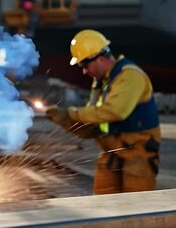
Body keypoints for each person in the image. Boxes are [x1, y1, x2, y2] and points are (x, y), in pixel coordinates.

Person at [45, 29, 160, 195]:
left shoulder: (130, 76)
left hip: (138, 156)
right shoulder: (101, 82)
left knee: (136, 210)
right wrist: (66, 121)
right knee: (103, 208)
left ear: (99, 58)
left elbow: (115, 111)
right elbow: (96, 119)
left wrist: (72, 114)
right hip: (112, 154)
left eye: (84, 65)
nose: (84, 71)